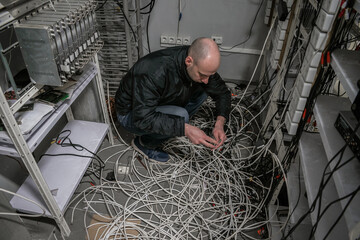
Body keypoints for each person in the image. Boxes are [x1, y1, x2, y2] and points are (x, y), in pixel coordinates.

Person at [115, 37, 231, 162]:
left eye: (210, 75)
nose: (206, 79)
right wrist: (184, 129)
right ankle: (144, 143)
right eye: (202, 75)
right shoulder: (153, 71)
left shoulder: (200, 64)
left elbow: (222, 93)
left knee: (204, 90)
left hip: (159, 102)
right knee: (182, 116)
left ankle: (170, 126)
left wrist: (220, 123)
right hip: (131, 114)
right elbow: (143, 118)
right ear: (188, 61)